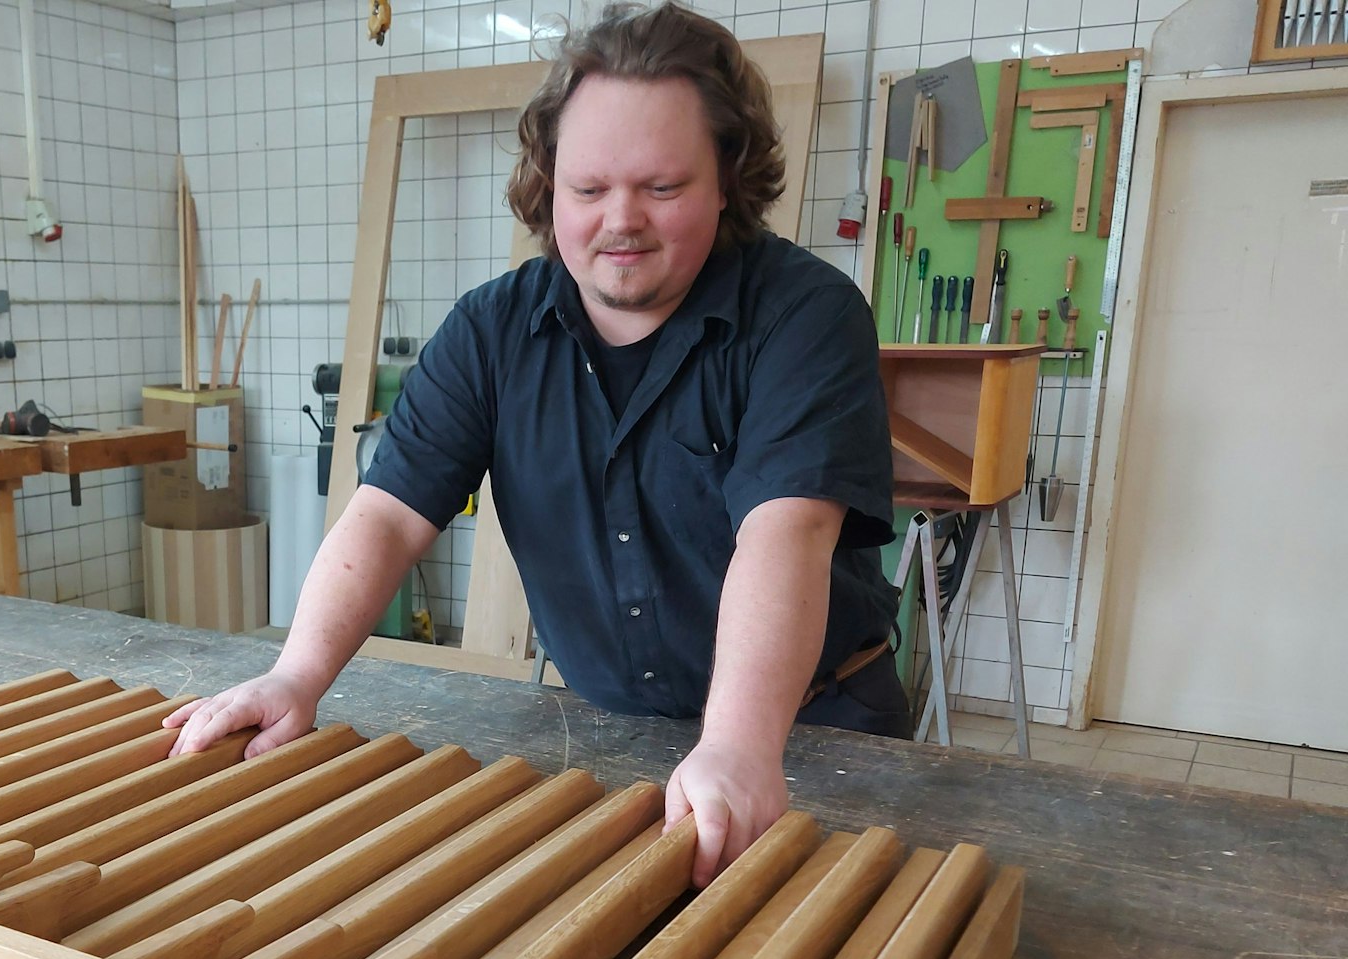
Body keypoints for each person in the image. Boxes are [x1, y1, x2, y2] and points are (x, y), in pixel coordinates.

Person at [167, 1, 902, 889]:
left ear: (727, 178)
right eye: (588, 189)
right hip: (604, 734)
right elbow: (389, 516)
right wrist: (296, 675)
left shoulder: (804, 316)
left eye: (661, 188)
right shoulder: (491, 332)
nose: (619, 221)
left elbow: (784, 534)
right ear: (549, 182)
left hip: (809, 733)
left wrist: (741, 747)